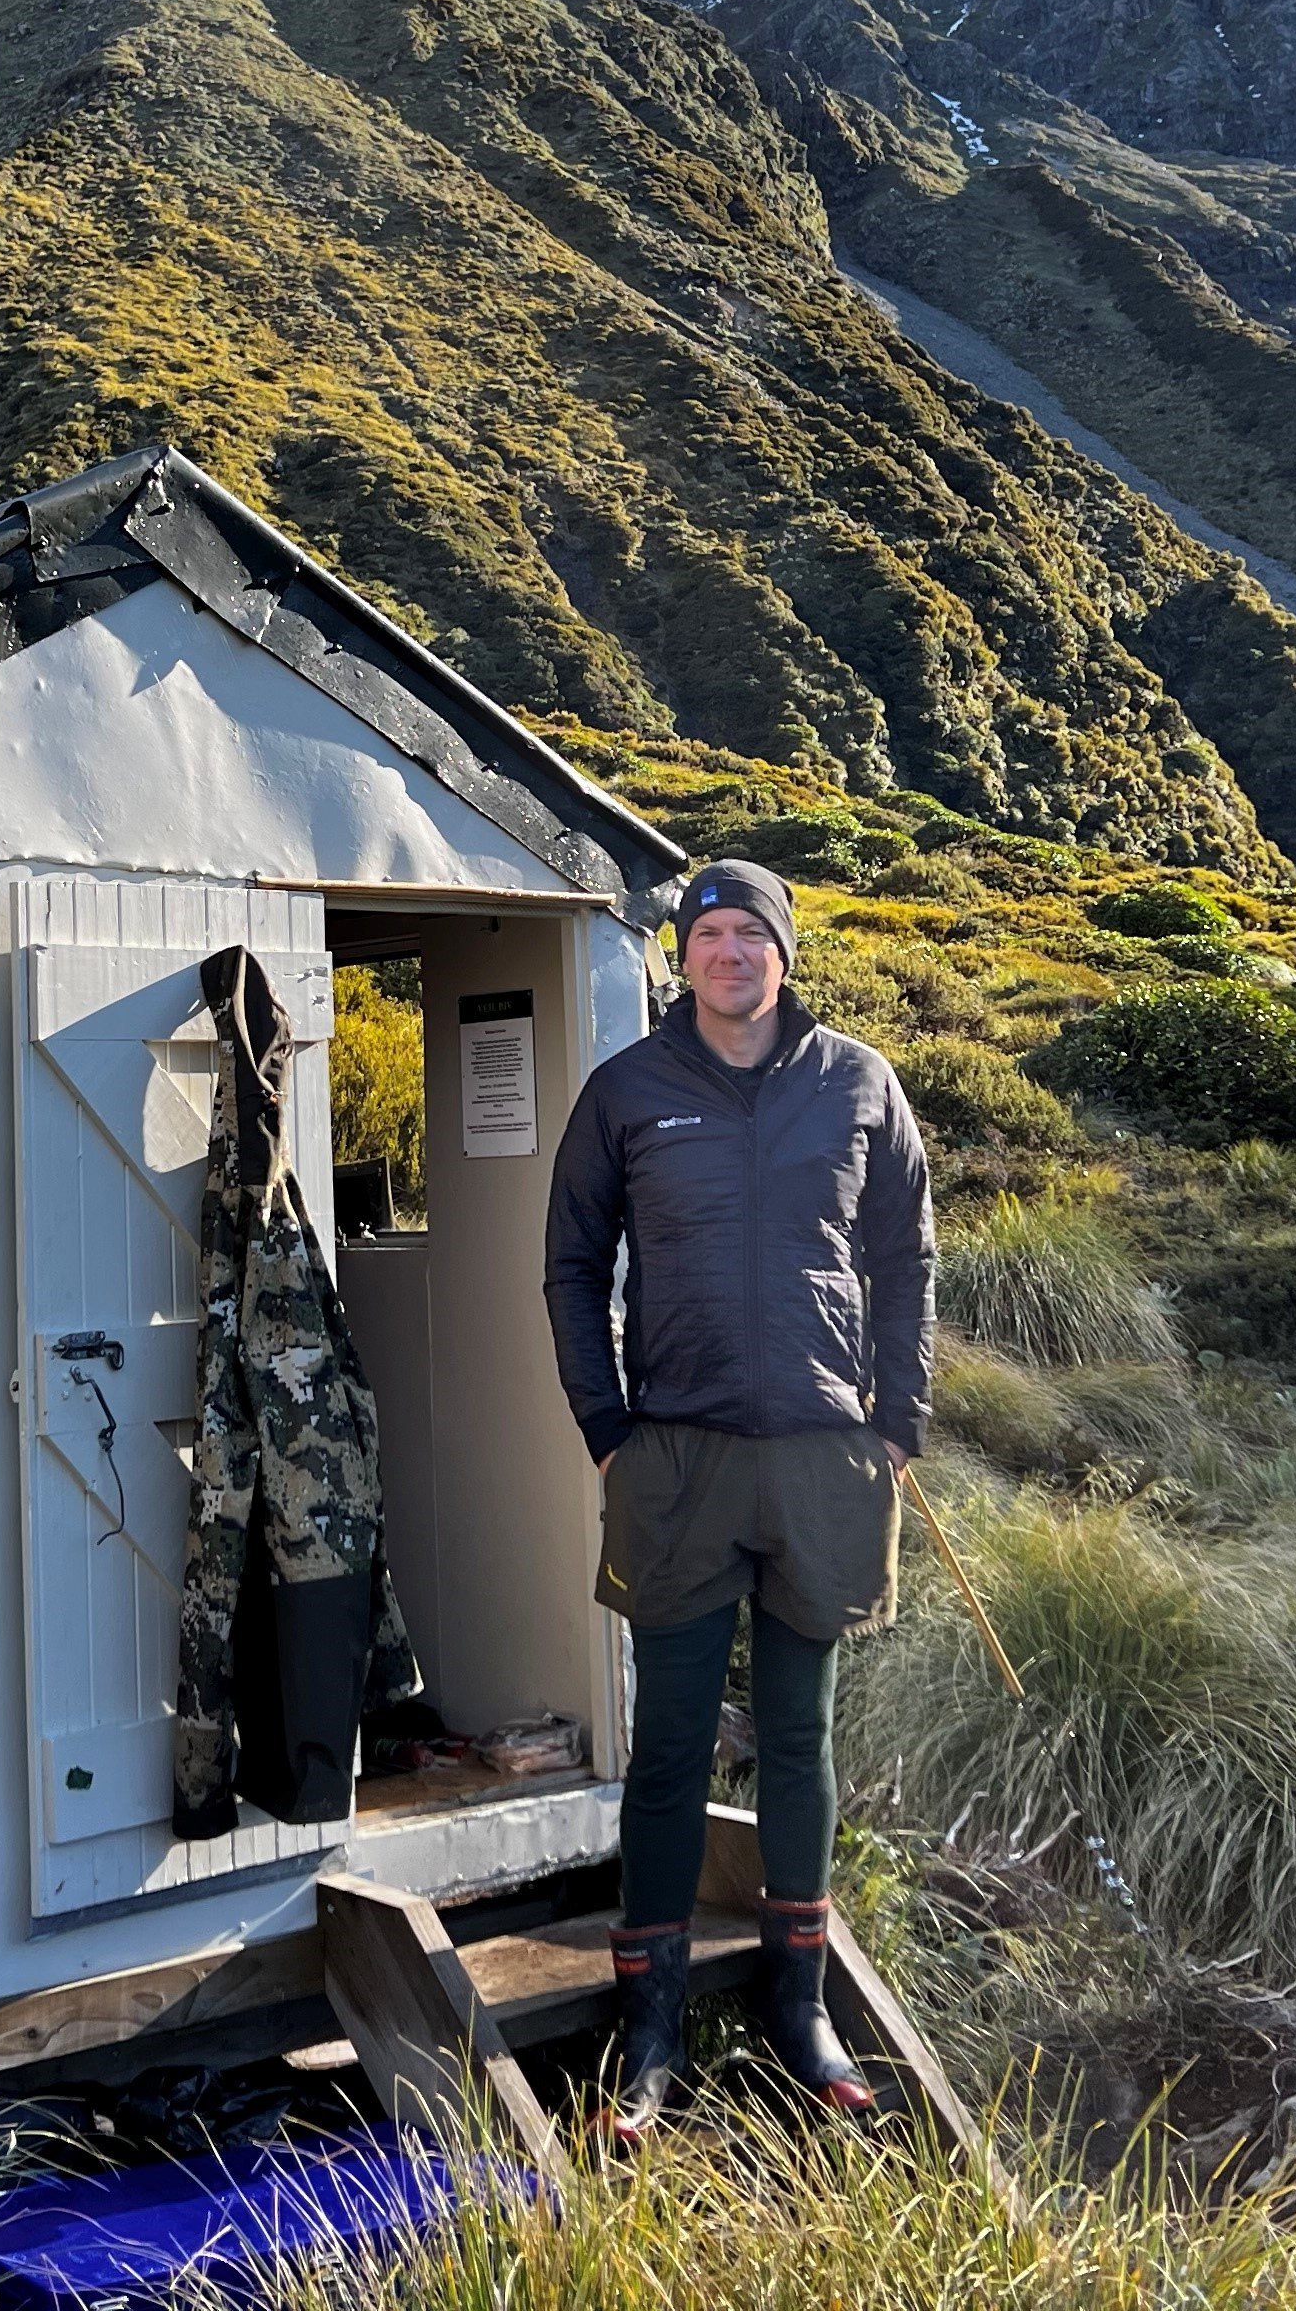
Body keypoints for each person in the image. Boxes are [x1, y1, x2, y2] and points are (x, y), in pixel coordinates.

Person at [544, 855, 935, 2131]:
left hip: (825, 1459)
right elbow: (569, 1268)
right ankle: (648, 2022)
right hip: (675, 1461)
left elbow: (904, 1255)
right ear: (682, 955)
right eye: (707, 933)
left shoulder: (859, 1084)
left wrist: (898, 1423)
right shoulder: (628, 1092)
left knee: (800, 1741)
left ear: (784, 953)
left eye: (748, 934)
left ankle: (799, 2005)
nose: (728, 954)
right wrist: (607, 1427)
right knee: (664, 1747)